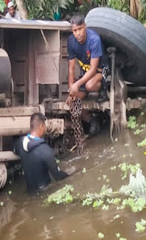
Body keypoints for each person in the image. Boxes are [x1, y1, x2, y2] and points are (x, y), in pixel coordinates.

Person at [66, 13, 109, 147]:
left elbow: (93, 68)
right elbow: (71, 69)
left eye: (80, 29)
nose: (77, 33)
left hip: (99, 71)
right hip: (85, 75)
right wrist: (71, 91)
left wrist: (77, 84)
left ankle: (103, 87)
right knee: (72, 102)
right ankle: (92, 121)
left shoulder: (94, 39)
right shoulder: (71, 41)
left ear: (85, 27)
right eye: (75, 30)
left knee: (90, 85)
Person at [14, 113, 71, 193]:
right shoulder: (45, 150)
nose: (45, 128)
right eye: (45, 126)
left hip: (30, 191)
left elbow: (16, 151)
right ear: (41, 126)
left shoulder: (20, 142)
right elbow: (57, 176)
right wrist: (73, 174)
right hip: (44, 191)